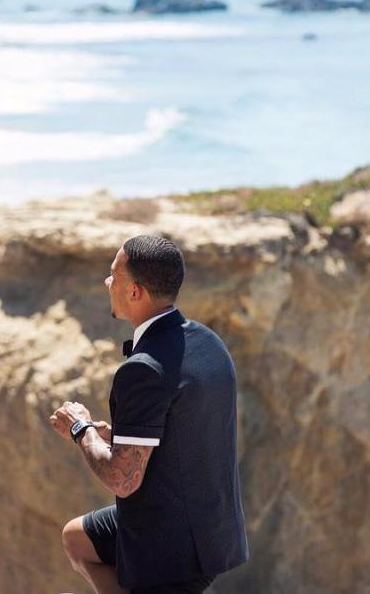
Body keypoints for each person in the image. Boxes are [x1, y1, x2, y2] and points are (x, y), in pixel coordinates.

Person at [51, 235, 249, 594]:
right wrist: (121, 434)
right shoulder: (208, 343)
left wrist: (81, 429)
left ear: (135, 293)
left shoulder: (143, 369)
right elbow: (188, 425)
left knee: (80, 541)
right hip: (217, 529)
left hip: (174, 546)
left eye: (114, 276)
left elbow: (123, 480)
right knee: (77, 538)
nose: (107, 283)